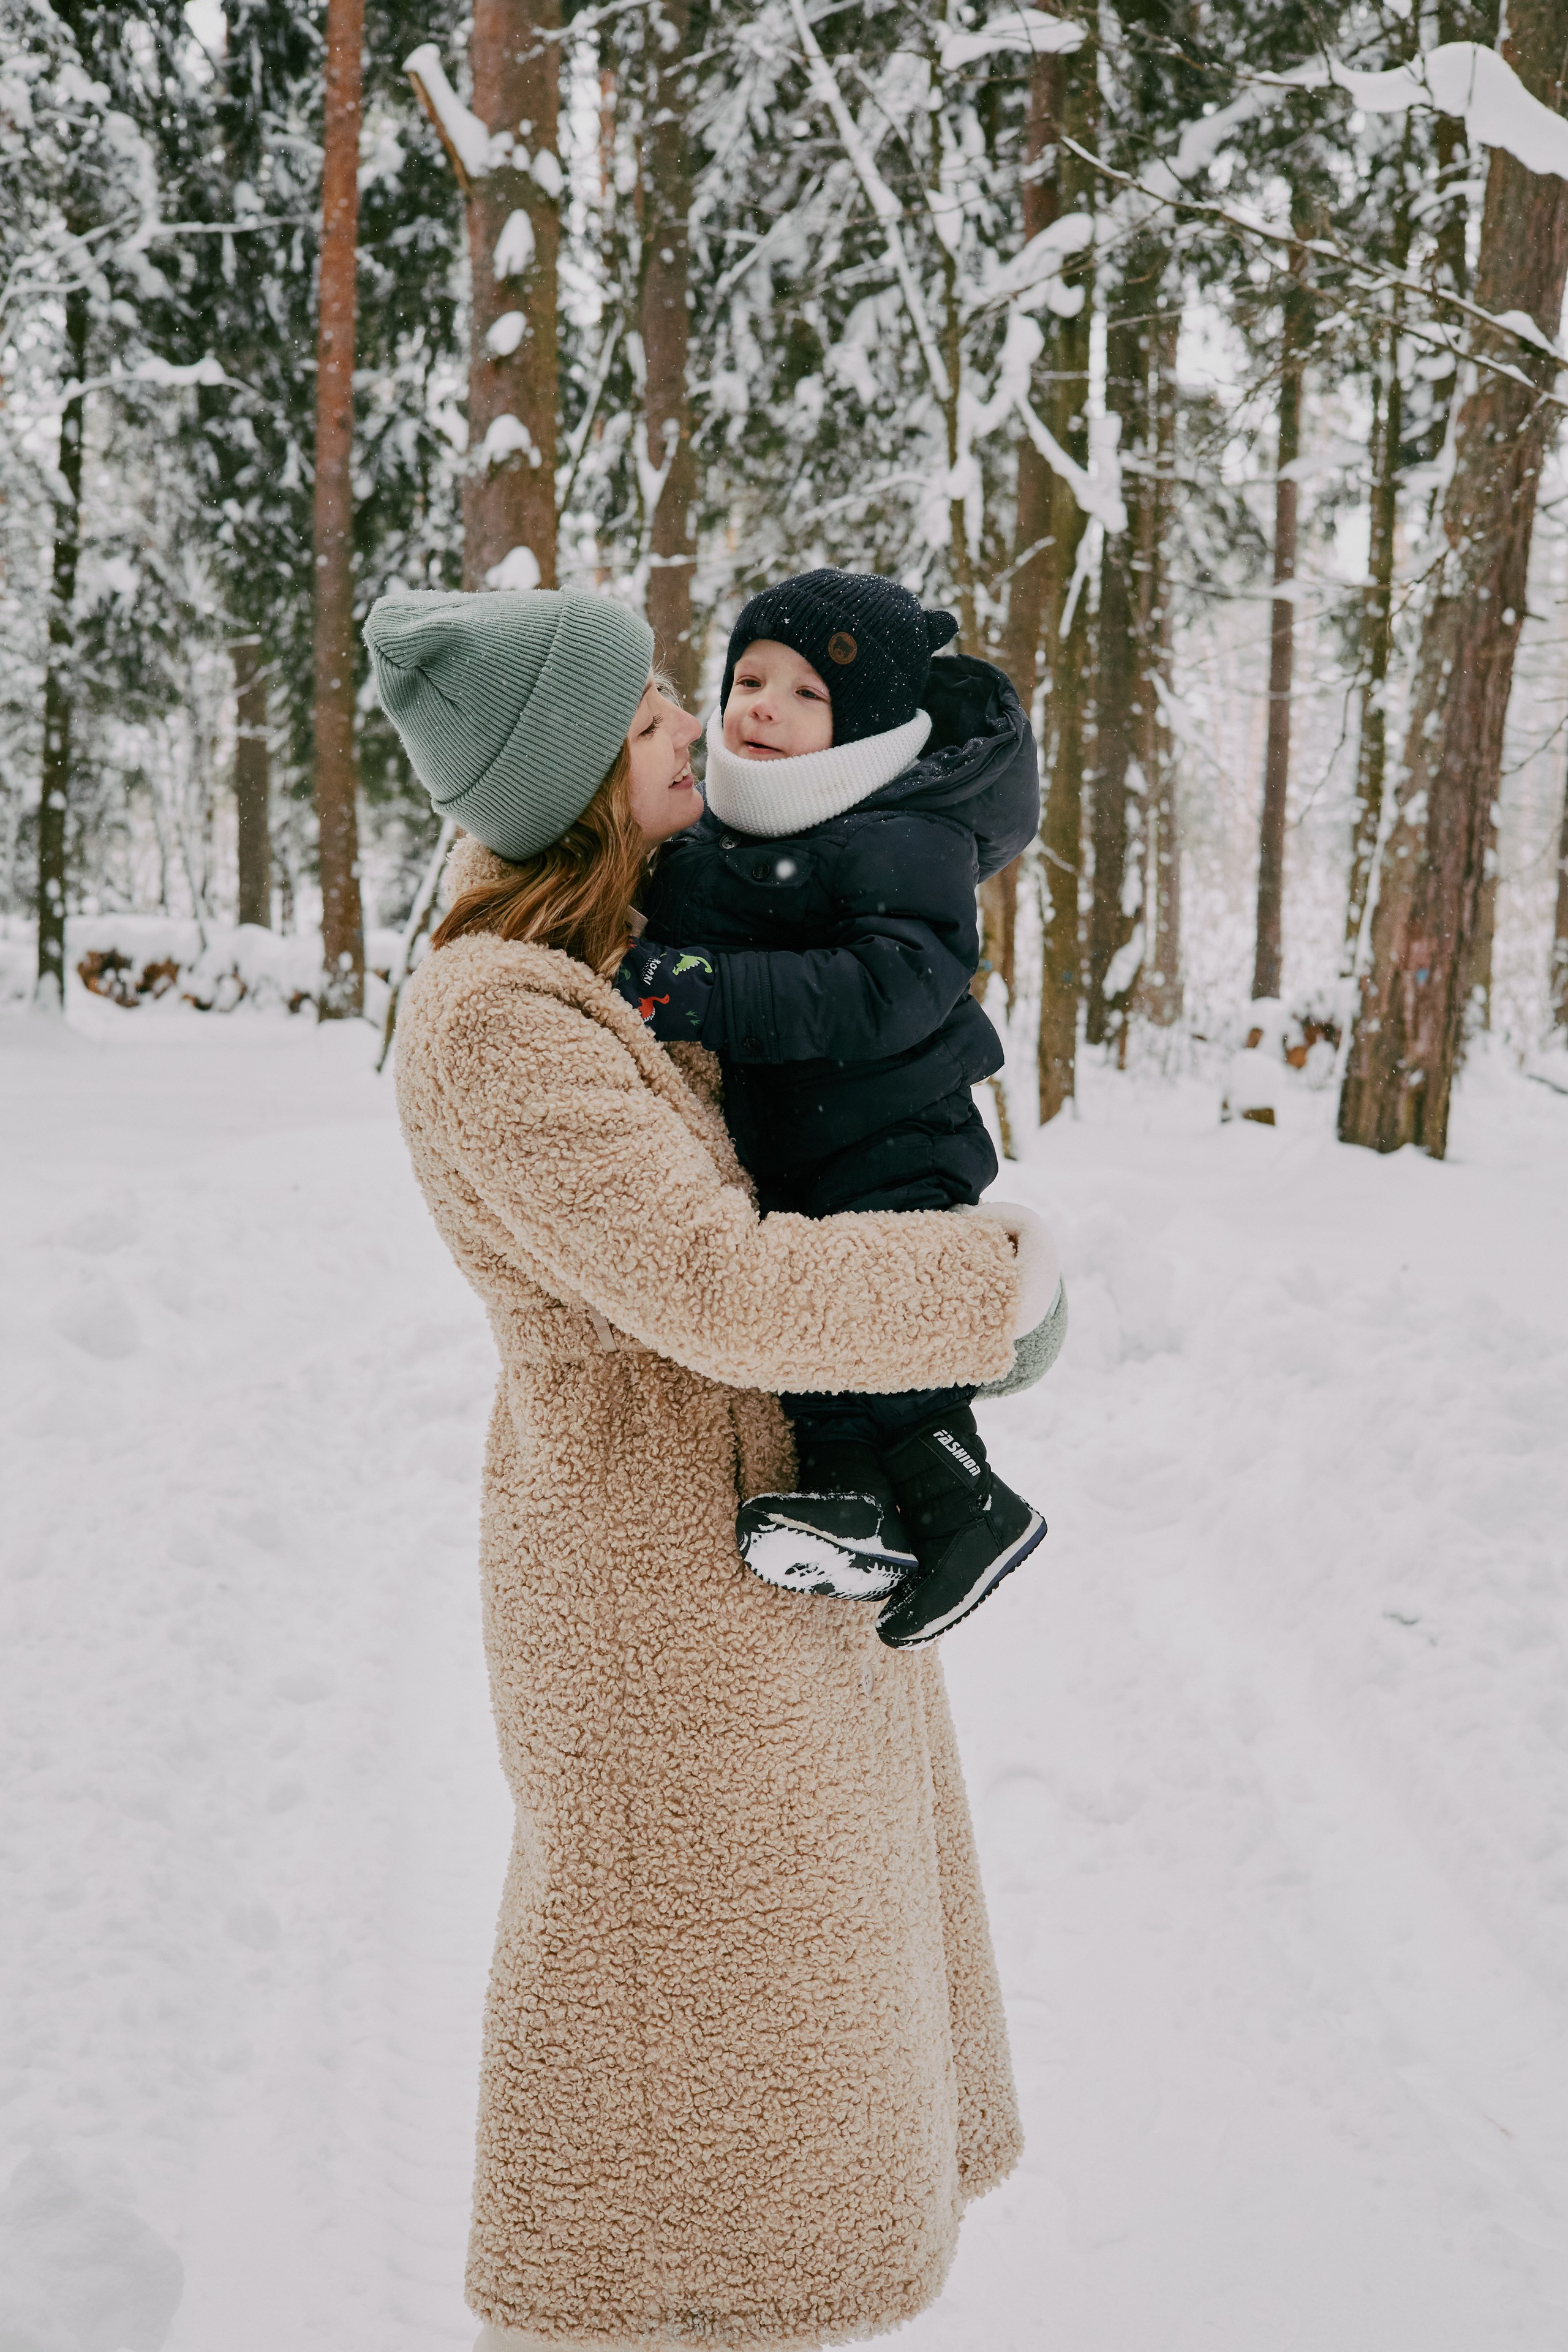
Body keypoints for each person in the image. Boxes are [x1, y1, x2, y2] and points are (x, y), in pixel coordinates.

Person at [363, 584, 1054, 2352]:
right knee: (679, 2091)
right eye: (658, 710)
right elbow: (721, 1283)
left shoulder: (613, 948)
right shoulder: (502, 1025)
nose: (695, 727)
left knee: (793, 2044)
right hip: (657, 1598)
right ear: (580, 775)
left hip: (747, 1550)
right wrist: (998, 1284)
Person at [614, 571, 1050, 1649]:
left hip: (890, 1141)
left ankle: (966, 1501)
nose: (761, 703)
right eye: (750, 677)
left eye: (807, 695)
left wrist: (706, 987)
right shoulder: (716, 835)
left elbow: (887, 988)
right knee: (821, 1372)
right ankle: (853, 1507)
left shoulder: (906, 834)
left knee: (887, 1352)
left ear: (865, 731)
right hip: (793, 1157)